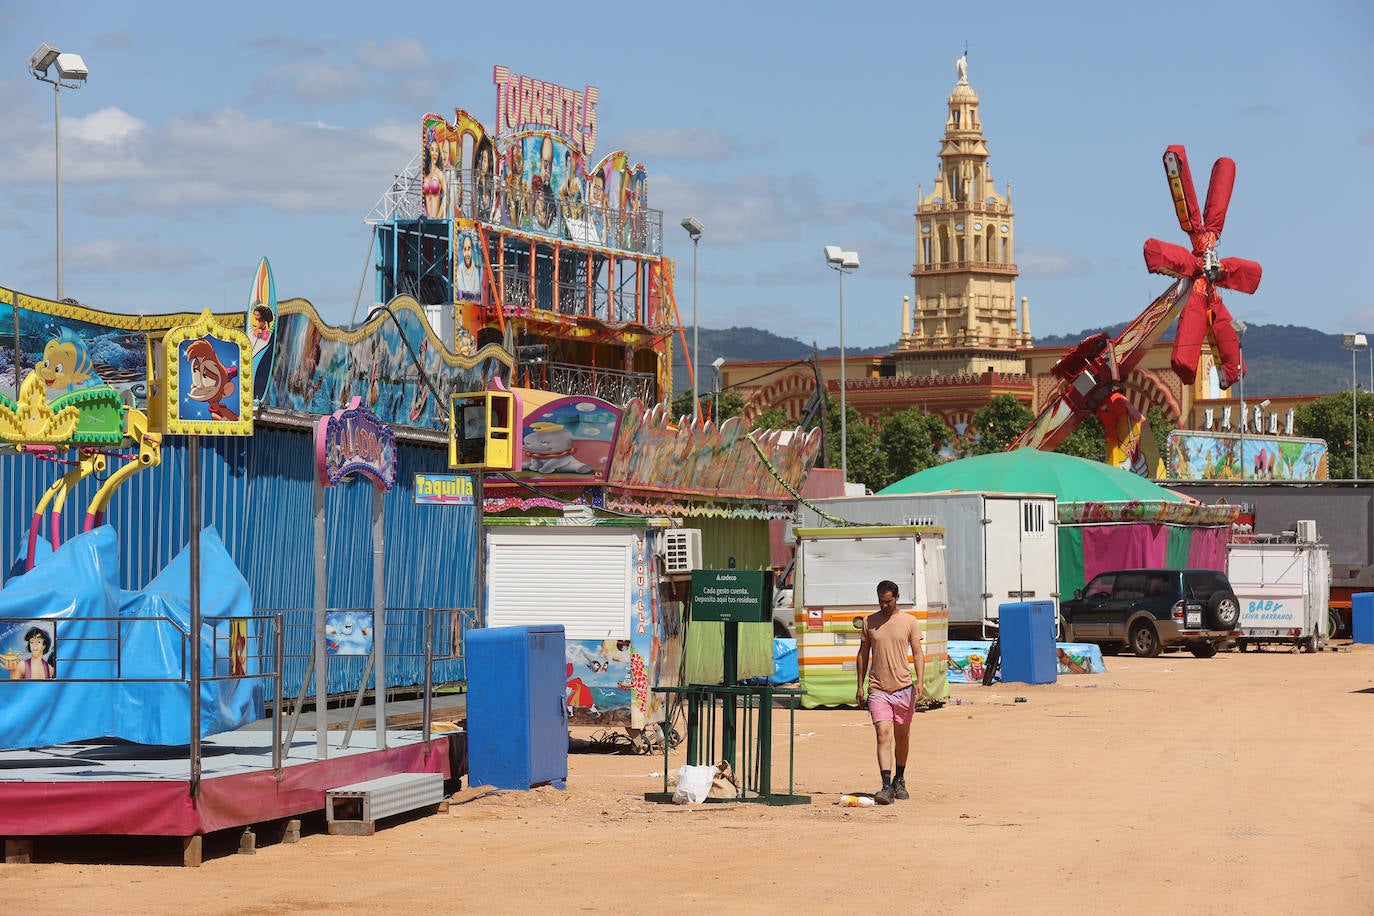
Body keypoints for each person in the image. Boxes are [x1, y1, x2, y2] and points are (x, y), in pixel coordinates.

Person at [854, 579, 924, 805]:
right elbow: (863, 653)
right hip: (878, 689)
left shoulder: (910, 621)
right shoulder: (869, 622)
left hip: (903, 688)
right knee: (883, 734)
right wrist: (859, 685)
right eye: (881, 601)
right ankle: (885, 786)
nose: (884, 605)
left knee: (902, 737)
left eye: (888, 601)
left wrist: (920, 682)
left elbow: (918, 653)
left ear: (897, 598)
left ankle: (899, 779)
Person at [422, 135, 446, 219]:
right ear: (429, 152)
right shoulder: (425, 174)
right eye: (432, 150)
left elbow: (447, 197)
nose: (435, 153)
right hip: (427, 217)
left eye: (437, 150)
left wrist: (439, 216)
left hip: (436, 217)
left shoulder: (439, 174)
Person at [454, 232, 482, 298]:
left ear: (472, 251)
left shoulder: (476, 270)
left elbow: (477, 289)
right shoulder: (460, 269)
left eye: (469, 249)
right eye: (465, 249)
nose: (467, 253)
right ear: (462, 251)